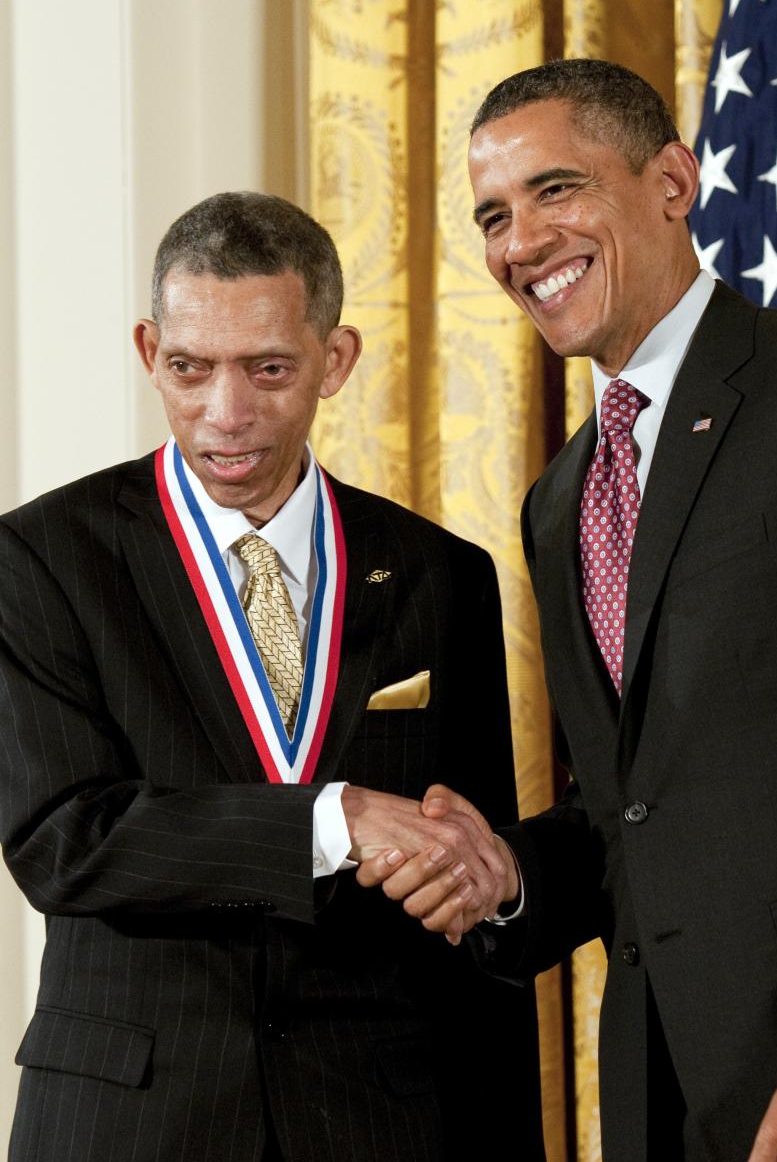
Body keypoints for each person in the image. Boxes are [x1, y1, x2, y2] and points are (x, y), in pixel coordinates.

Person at [0, 192, 541, 1162]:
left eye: (268, 370)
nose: (226, 414)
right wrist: (328, 822)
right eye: (189, 369)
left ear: (334, 361)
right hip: (131, 1122)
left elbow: (465, 876)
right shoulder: (40, 559)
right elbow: (61, 840)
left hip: (381, 1120)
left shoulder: (437, 574)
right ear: (146, 351)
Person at [358, 59, 777, 1162]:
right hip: (660, 1092)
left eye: (555, 190)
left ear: (669, 181)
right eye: (492, 216)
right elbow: (629, 812)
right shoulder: (560, 500)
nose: (519, 243)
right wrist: (508, 875)